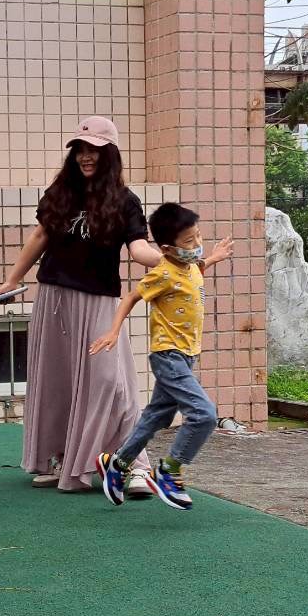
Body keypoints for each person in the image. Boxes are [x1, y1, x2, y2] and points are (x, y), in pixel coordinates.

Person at [0, 116, 163, 494]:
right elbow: (41, 235)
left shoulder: (125, 201)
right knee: (56, 382)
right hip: (53, 298)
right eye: (80, 149)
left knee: (112, 382)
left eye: (94, 150)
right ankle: (61, 458)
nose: (86, 156)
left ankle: (134, 465)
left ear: (110, 154)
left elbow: (138, 248)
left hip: (98, 301)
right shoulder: (61, 192)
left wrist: (171, 261)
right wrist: (13, 279)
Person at [91, 203, 233, 510]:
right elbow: (131, 297)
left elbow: (195, 271)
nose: (196, 245)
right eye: (189, 241)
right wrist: (113, 331)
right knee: (204, 414)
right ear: (167, 248)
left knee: (158, 416)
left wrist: (213, 258)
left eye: (198, 236)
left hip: (186, 356)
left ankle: (117, 463)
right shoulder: (163, 273)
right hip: (168, 355)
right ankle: (169, 471)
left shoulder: (191, 266)